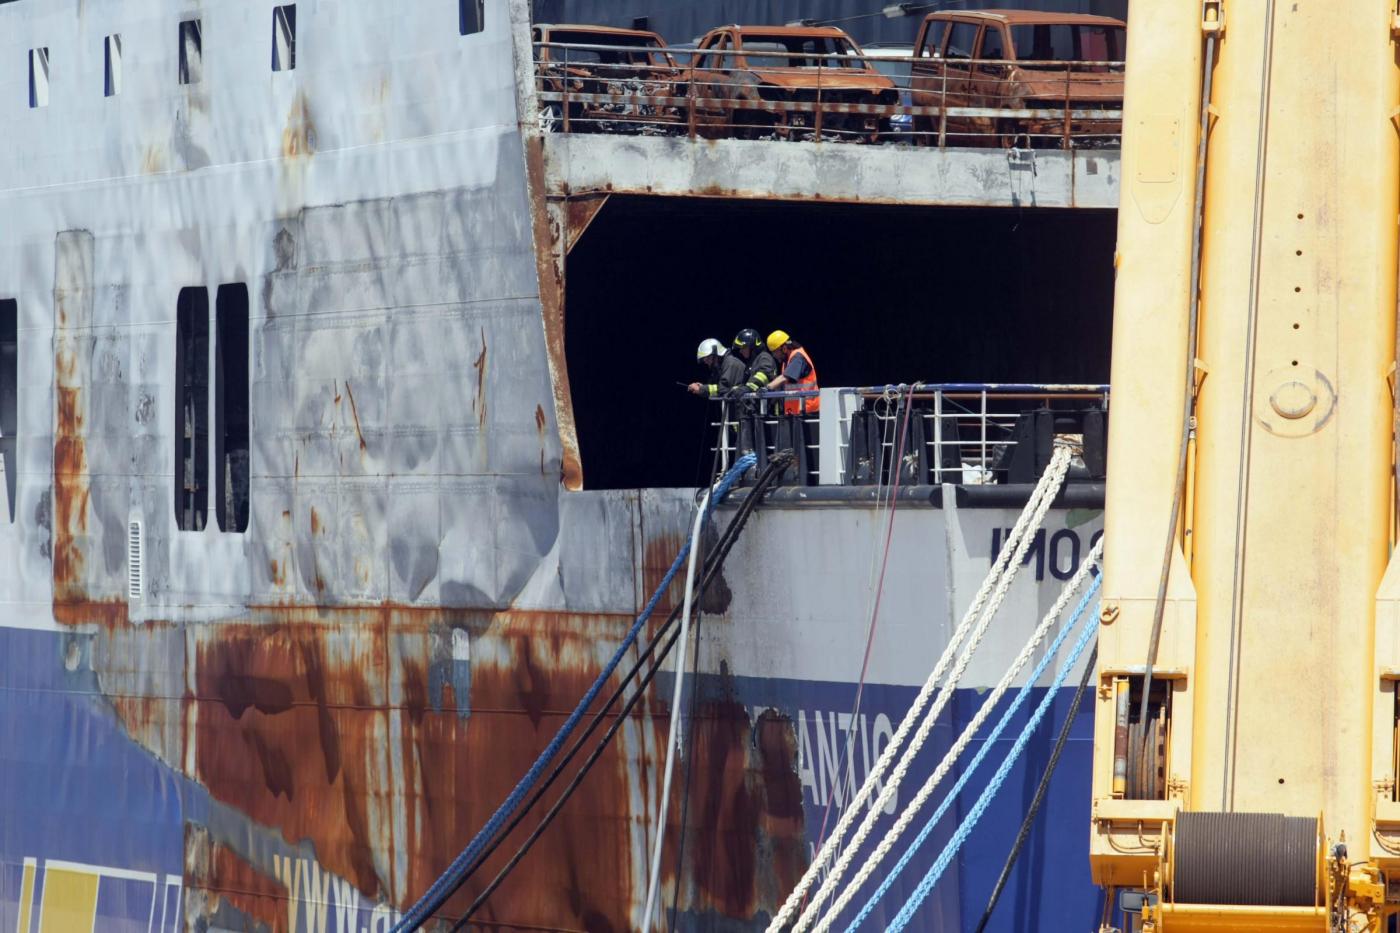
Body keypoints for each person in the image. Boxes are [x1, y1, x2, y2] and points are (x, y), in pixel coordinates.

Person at [764, 330, 819, 415]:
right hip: (795, 412)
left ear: (784, 348)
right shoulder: (787, 361)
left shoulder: (798, 357)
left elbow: (784, 377)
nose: (774, 355)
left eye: (775, 351)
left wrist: (767, 388)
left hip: (808, 411)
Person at [729, 328, 777, 399]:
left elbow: (764, 374)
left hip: (766, 404)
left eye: (743, 348)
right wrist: (735, 389)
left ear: (752, 347)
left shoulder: (764, 357)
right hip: (758, 403)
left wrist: (748, 388)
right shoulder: (752, 362)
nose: (740, 351)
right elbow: (745, 383)